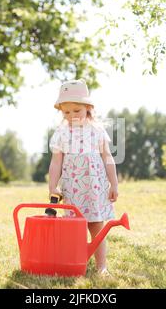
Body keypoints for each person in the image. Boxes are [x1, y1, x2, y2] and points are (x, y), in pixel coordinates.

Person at [48, 78, 119, 275]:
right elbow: (56, 162)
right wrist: (52, 186)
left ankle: (101, 266)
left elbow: (108, 158)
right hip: (73, 188)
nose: (72, 116)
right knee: (74, 228)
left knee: (96, 225)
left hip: (94, 188)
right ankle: (76, 263)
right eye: (66, 112)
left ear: (87, 108)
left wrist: (114, 184)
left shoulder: (97, 131)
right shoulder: (61, 133)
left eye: (76, 111)